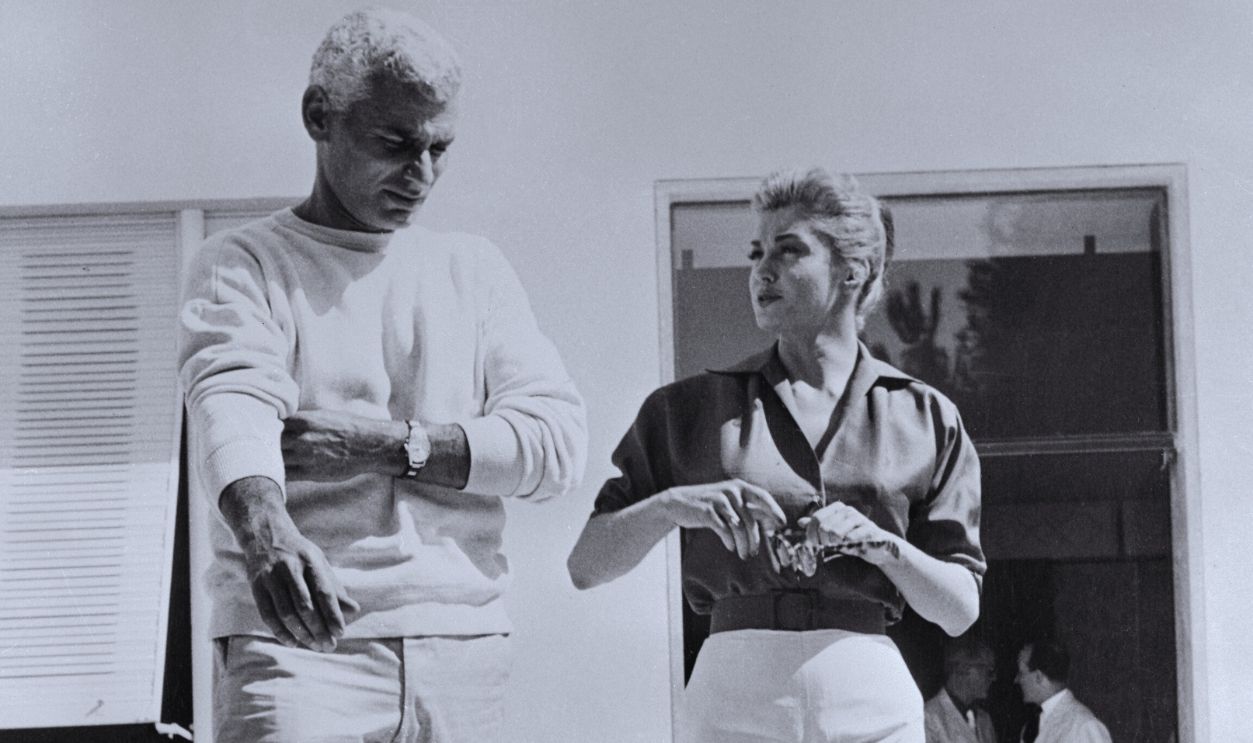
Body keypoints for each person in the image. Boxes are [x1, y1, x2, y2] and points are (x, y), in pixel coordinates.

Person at [178, 8, 587, 742]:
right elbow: (230, 403)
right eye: (395, 144)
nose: (421, 173)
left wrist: (388, 445)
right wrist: (267, 532)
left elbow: (554, 446)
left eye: (439, 147)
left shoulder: (475, 269)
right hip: (295, 645)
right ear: (318, 116)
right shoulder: (244, 262)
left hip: (463, 647)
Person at [568, 167, 986, 743]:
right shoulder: (688, 409)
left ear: (852, 271)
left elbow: (959, 608)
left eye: (789, 251)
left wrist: (884, 546)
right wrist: (673, 506)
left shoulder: (924, 417)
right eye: (757, 252)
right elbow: (586, 566)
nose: (762, 270)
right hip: (734, 691)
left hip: (869, 692)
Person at [1014, 641, 1112, 743]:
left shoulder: (1083, 726)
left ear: (1039, 677)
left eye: (1021, 673)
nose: (1016, 680)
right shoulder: (1030, 728)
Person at [924, 636, 998, 743]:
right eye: (989, 671)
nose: (994, 678)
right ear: (964, 668)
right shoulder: (928, 718)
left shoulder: (985, 720)